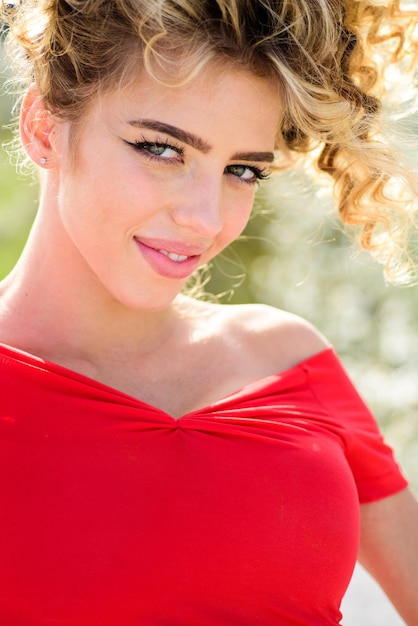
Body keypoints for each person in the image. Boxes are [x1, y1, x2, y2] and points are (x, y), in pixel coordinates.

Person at [0, 0, 417, 624]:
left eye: (242, 170)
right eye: (161, 150)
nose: (206, 217)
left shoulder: (285, 362)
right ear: (41, 128)